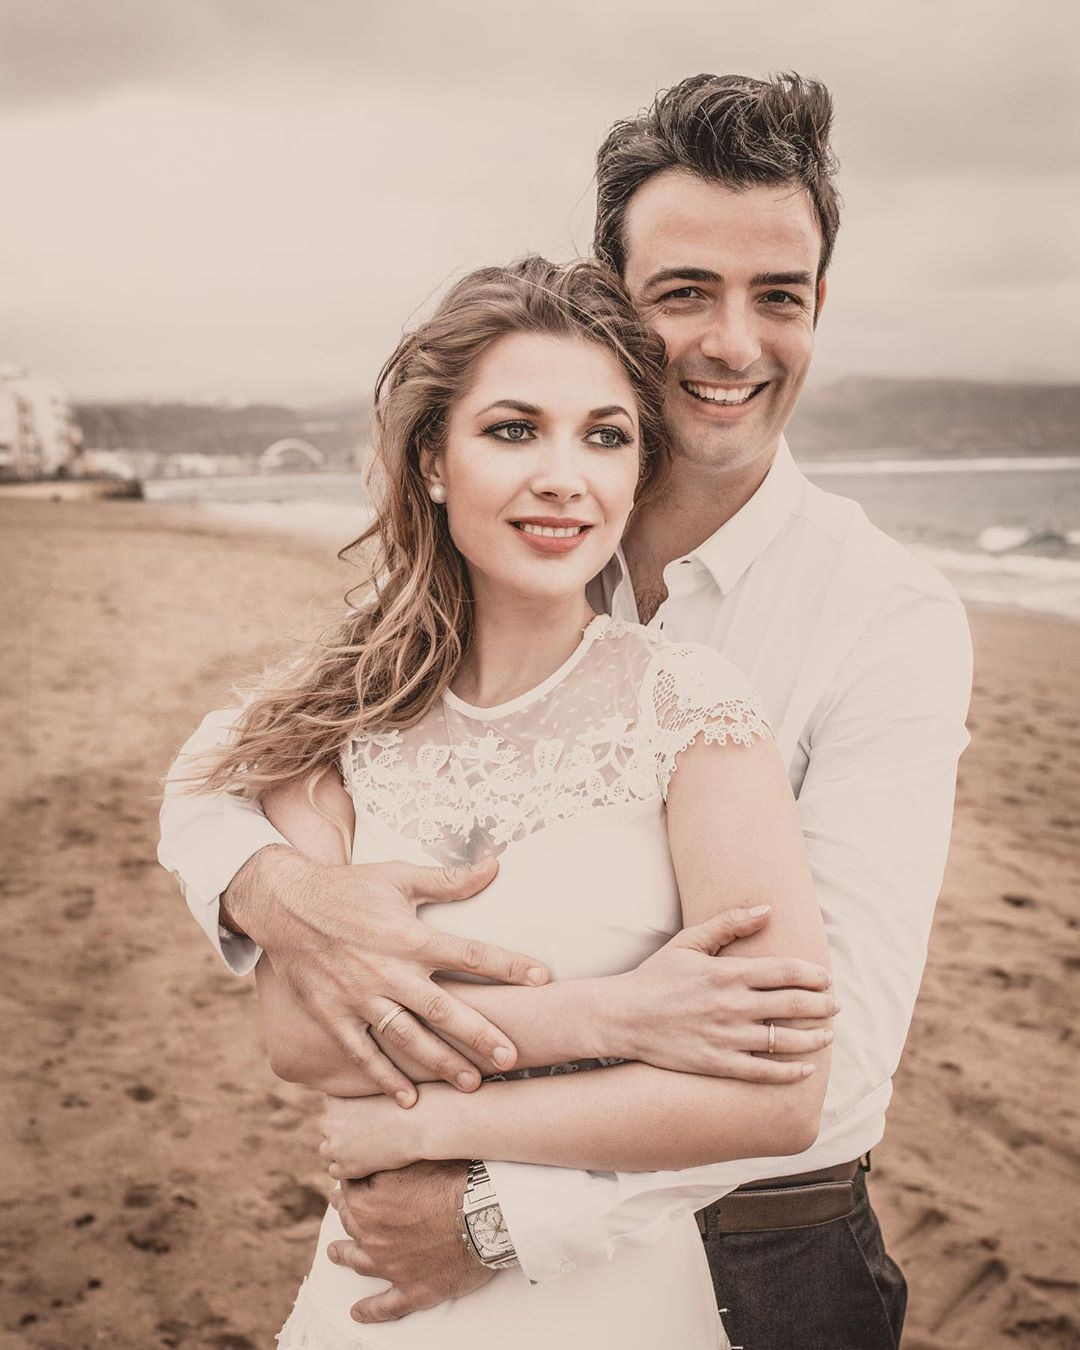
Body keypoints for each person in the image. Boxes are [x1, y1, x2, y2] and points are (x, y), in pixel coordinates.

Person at [159, 73, 973, 1349]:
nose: (734, 345)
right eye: (685, 291)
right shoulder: (503, 539)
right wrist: (273, 889)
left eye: (781, 297)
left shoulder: (888, 615)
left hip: (763, 1253)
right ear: (613, 299)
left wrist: (480, 1189)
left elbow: (821, 1051)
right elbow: (228, 761)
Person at [181, 255, 836, 1348]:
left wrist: (428, 1117)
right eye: (514, 430)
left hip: (616, 1304)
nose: (564, 477)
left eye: (606, 435)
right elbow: (301, 1038)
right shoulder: (336, 721)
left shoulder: (693, 713)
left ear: (638, 473)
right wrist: (610, 1018)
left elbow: (778, 1097)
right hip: (370, 1305)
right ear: (434, 458)